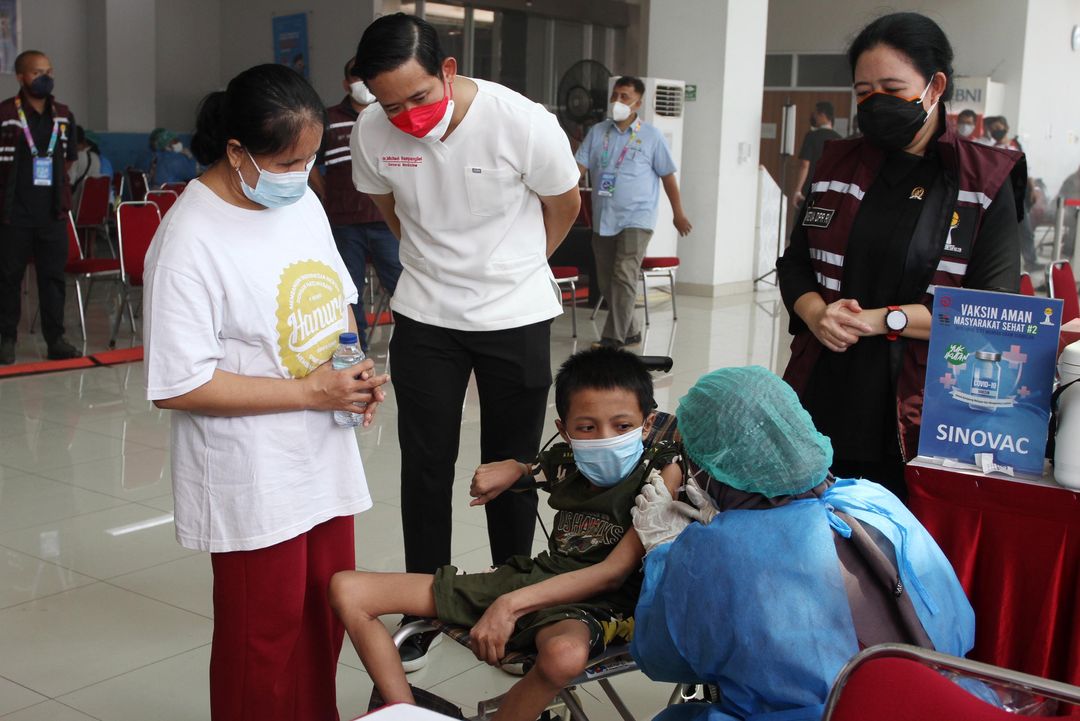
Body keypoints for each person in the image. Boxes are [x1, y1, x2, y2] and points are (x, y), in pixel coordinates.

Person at [142, 64, 389, 720]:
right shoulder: (189, 240)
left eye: (311, 159)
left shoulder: (301, 200)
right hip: (252, 470)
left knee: (325, 613)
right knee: (264, 635)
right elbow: (181, 381)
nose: (303, 176)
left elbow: (334, 296)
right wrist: (312, 393)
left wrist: (351, 370)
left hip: (322, 453)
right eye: (288, 160)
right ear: (235, 152)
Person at [349, 13, 582, 668]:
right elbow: (390, 207)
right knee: (424, 464)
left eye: (418, 98)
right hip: (426, 312)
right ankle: (428, 605)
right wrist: (436, 262)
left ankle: (513, 601)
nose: (405, 115)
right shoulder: (373, 129)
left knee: (508, 468)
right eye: (389, 104)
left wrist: (519, 264)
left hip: (515, 313)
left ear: (448, 71)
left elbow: (564, 203)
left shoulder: (520, 120)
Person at [329, 346, 682, 721]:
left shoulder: (662, 474)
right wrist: (514, 469)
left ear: (646, 424)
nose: (604, 438)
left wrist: (508, 605)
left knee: (564, 655)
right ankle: (409, 714)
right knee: (348, 590)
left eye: (622, 426)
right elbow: (539, 468)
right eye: (587, 427)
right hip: (537, 581)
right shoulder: (567, 460)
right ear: (564, 430)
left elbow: (613, 572)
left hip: (601, 604)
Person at [629, 366, 976, 721]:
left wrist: (662, 551)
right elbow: (958, 623)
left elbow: (662, 657)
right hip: (947, 701)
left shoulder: (714, 552)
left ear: (710, 466)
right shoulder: (874, 499)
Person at [776, 12, 1024, 500]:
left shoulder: (984, 180)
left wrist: (878, 321)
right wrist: (816, 313)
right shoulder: (837, 162)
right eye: (864, 91)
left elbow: (992, 307)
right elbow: (795, 263)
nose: (876, 102)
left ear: (935, 87)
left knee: (893, 548)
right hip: (824, 387)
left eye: (892, 86)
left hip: (922, 404)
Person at [575, 76, 692, 350]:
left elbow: (667, 177)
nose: (617, 101)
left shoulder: (651, 136)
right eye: (615, 95)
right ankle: (631, 331)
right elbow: (577, 169)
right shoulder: (597, 132)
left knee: (624, 275)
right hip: (603, 218)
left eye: (625, 96)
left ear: (638, 103)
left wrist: (678, 213)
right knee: (606, 281)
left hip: (637, 218)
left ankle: (613, 339)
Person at [309, 58, 402, 352]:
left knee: (402, 286)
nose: (363, 83)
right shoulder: (329, 118)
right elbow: (311, 160)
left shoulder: (387, 115)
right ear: (346, 83)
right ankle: (356, 351)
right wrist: (326, 192)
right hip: (344, 221)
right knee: (349, 293)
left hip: (384, 218)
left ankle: (413, 344)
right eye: (357, 78)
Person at [0, 50, 81, 365]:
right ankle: (6, 339)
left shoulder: (62, 114)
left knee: (53, 279)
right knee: (8, 279)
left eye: (49, 70)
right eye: (37, 72)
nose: (45, 77)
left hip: (52, 215)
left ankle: (55, 339)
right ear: (21, 77)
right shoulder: (6, 113)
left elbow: (69, 157)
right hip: (12, 216)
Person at [791, 101, 842, 209]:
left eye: (815, 114)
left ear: (822, 115)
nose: (813, 117)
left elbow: (805, 164)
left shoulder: (812, 136)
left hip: (811, 188)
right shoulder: (840, 139)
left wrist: (798, 190)